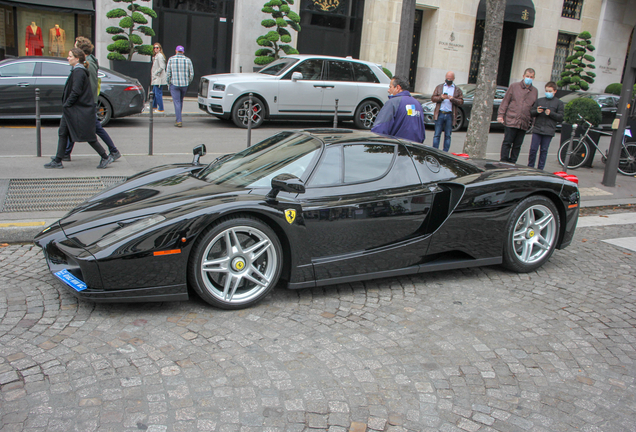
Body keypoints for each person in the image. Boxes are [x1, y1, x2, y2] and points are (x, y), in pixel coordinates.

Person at [44, 48, 113, 169]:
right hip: (73, 109)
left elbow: (76, 91)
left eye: (70, 56)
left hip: (77, 109)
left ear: (77, 58)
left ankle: (105, 157)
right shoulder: (78, 70)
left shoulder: (79, 72)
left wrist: (67, 104)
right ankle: (58, 160)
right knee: (62, 132)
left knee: (88, 135)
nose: (68, 58)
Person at [61, 36, 121, 162]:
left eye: (75, 46)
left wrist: (87, 102)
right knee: (73, 125)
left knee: (94, 128)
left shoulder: (89, 64)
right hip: (87, 102)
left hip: (88, 103)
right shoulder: (85, 63)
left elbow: (90, 85)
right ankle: (65, 153)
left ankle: (113, 151)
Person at [497, 68, 538, 163]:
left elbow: (534, 107)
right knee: (507, 142)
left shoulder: (534, 91)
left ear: (534, 78)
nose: (529, 78)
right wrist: (501, 115)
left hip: (524, 122)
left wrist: (533, 122)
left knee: (517, 145)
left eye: (531, 77)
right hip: (512, 119)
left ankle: (513, 162)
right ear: (523, 76)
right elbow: (505, 101)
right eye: (527, 76)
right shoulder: (514, 86)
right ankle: (503, 161)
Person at [371, 76, 426, 143]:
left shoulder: (393, 103)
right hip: (415, 147)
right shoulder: (417, 104)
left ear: (397, 88)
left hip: (397, 147)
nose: (388, 90)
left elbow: (380, 128)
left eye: (390, 87)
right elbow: (421, 131)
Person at [527, 81, 564, 170]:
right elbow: (531, 112)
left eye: (550, 91)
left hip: (549, 130)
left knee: (544, 150)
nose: (548, 93)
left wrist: (551, 113)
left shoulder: (559, 103)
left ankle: (540, 168)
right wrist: (537, 111)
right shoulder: (540, 100)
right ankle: (530, 167)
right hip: (538, 128)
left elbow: (561, 117)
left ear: (555, 91)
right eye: (546, 91)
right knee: (533, 149)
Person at [431, 71, 463, 152]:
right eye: (447, 79)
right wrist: (441, 97)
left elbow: (461, 101)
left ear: (453, 79)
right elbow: (433, 98)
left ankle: (445, 152)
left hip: (450, 115)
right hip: (440, 113)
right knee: (437, 134)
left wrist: (453, 99)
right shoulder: (439, 87)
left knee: (448, 135)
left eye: (450, 79)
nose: (448, 80)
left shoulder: (457, 89)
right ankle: (435, 151)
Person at [166, 45, 194, 127]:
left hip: (174, 84)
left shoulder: (171, 59)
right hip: (184, 84)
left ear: (176, 51)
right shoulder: (188, 60)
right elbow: (191, 73)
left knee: (177, 102)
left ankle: (179, 120)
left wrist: (168, 82)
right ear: (183, 52)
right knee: (181, 100)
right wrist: (188, 81)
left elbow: (168, 73)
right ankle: (178, 117)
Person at [151, 43, 167, 113]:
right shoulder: (156, 56)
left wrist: (155, 73)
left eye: (157, 48)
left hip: (158, 78)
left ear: (160, 48)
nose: (155, 49)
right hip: (156, 77)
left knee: (158, 93)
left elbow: (162, 67)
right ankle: (154, 106)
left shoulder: (160, 56)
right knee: (154, 92)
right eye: (154, 48)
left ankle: (161, 108)